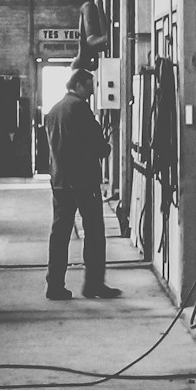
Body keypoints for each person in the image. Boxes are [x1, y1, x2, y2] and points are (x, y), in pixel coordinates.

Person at [44, 62, 118, 300]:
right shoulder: (80, 108)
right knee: (94, 233)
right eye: (90, 86)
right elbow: (98, 146)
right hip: (84, 182)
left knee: (60, 234)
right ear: (78, 84)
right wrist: (106, 147)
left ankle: (54, 285)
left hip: (60, 182)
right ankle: (94, 285)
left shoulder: (54, 111)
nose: (93, 91)